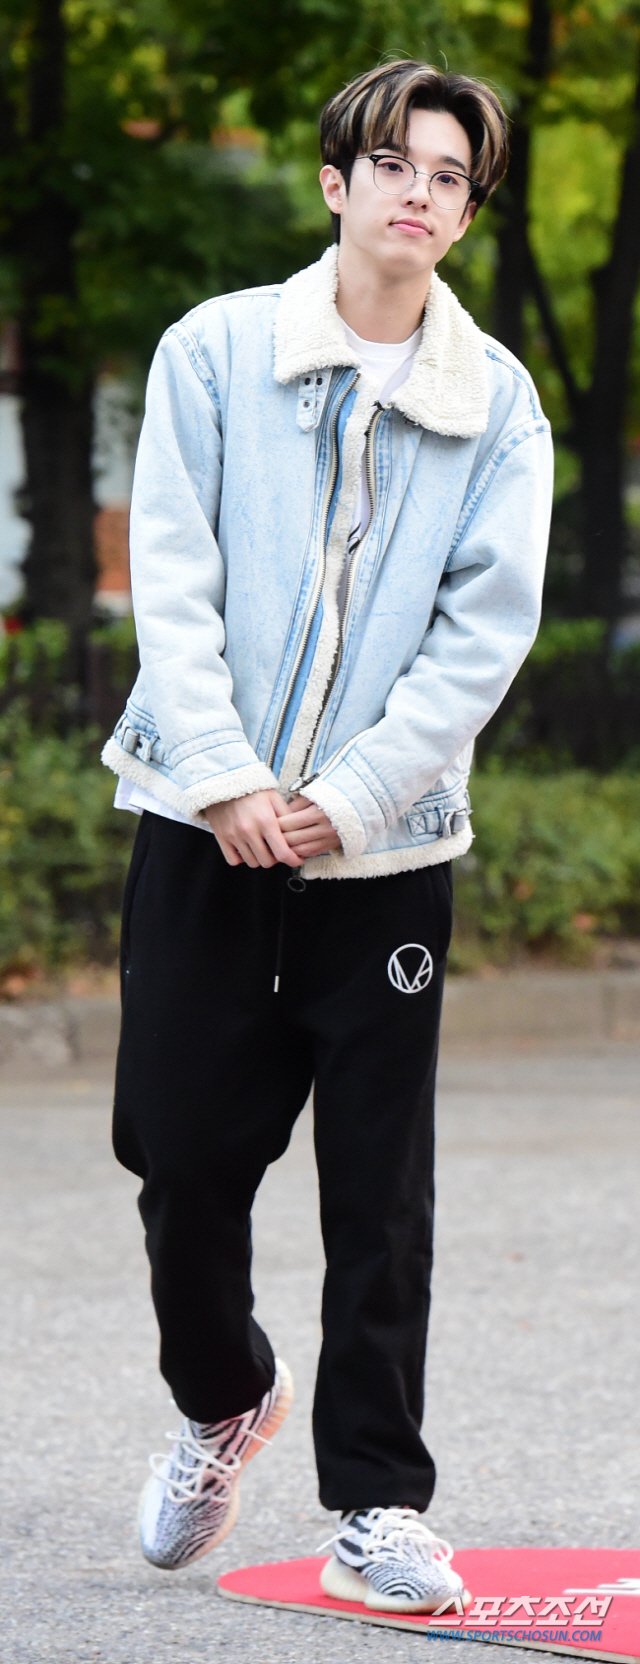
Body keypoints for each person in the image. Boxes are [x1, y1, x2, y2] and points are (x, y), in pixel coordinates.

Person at [103, 59, 553, 1614]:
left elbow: (483, 632)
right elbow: (172, 574)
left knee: (378, 1190)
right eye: (396, 164)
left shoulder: (497, 402)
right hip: (202, 828)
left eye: (451, 175)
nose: (421, 191)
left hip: (384, 857)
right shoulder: (217, 352)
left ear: (466, 211)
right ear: (336, 184)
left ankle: (376, 1499)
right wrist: (227, 779)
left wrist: (348, 798)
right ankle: (223, 1396)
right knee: (176, 1155)